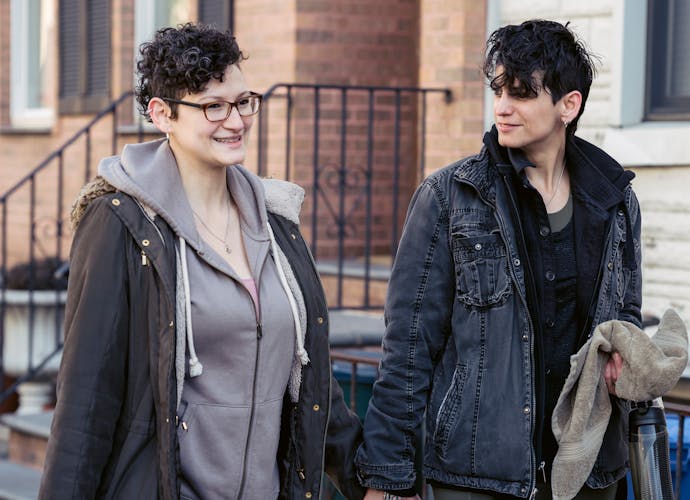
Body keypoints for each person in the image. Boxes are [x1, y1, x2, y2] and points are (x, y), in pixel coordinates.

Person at [38, 23, 364, 500]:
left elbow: (307, 374)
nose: (235, 121)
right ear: (162, 114)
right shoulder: (123, 224)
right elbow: (86, 400)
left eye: (242, 101)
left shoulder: (277, 221)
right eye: (212, 106)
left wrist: (370, 479)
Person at [355, 19, 641, 500]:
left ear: (568, 106)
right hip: (477, 477)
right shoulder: (451, 196)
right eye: (498, 90)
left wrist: (622, 355)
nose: (502, 108)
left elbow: (626, 311)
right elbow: (407, 347)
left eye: (522, 93)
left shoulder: (614, 202)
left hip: (587, 473)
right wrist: (387, 476)